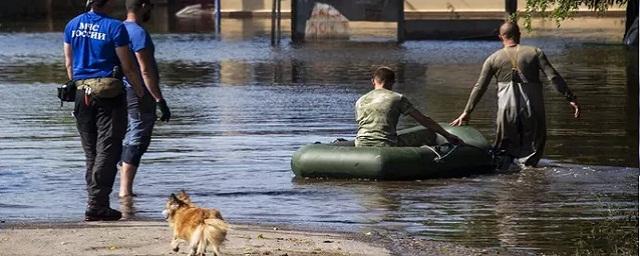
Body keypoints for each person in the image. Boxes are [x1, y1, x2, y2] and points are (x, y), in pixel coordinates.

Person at [450, 21, 580, 168]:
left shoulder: (493, 59)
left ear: (501, 37)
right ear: (519, 34)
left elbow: (479, 87)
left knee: (503, 150)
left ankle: (507, 180)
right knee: (533, 148)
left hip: (506, 111)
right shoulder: (535, 52)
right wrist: (570, 97)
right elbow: (554, 77)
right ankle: (529, 177)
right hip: (532, 109)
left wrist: (467, 111)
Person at [64, 0, 146, 221]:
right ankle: (98, 204)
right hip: (108, 95)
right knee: (107, 150)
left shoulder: (72, 25)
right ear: (107, 3)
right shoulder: (114, 27)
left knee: (91, 151)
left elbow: (69, 64)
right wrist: (139, 91)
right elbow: (127, 65)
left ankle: (95, 202)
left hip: (82, 94)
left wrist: (80, 86)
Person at [119, 0, 171, 198]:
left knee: (127, 137)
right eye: (150, 6)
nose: (151, 10)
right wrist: (159, 99)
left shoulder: (119, 29)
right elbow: (146, 70)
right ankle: (126, 191)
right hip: (139, 92)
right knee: (138, 138)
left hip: (123, 92)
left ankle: (124, 189)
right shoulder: (138, 33)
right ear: (142, 6)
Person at [356, 67, 462, 147]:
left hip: (360, 143)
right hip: (386, 144)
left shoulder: (360, 100)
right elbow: (423, 120)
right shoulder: (397, 98)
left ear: (373, 81)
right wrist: (448, 135)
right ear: (393, 82)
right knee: (429, 134)